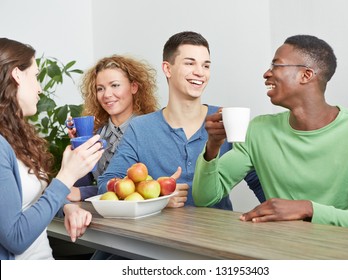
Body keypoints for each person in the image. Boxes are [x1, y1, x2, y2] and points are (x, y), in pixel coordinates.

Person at [192, 34, 348, 233]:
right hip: (283, 251)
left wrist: (306, 208)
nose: (266, 74)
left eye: (276, 66)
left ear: (306, 75)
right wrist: (213, 146)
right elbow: (205, 197)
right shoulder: (258, 130)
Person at [98, 31, 265, 209]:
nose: (200, 72)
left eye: (206, 65)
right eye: (189, 63)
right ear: (167, 69)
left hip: (218, 234)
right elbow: (107, 184)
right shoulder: (140, 128)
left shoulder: (225, 121)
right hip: (161, 235)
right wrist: (157, 198)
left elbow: (260, 184)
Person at [0, 37, 104, 260]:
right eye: (35, 77)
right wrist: (66, 177)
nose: (39, 89)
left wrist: (66, 207)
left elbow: (31, 203)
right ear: (17, 75)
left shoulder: (15, 138)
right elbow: (15, 237)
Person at [66, 55, 159, 202]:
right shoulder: (98, 134)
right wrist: (79, 146)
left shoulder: (150, 131)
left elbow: (144, 188)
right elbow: (75, 189)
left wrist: (85, 193)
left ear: (134, 87)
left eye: (115, 85)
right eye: (100, 89)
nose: (107, 95)